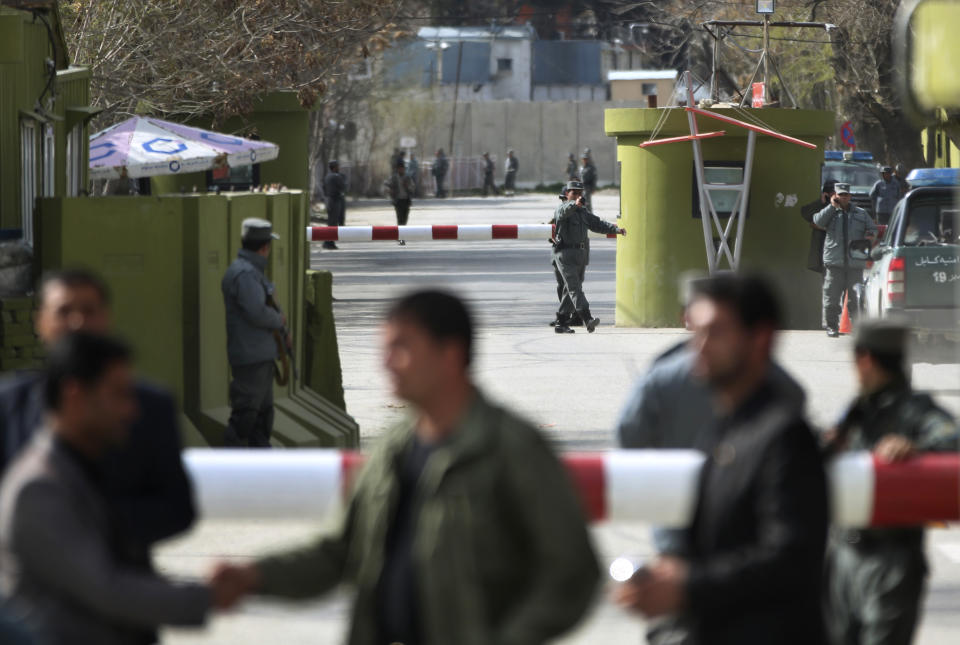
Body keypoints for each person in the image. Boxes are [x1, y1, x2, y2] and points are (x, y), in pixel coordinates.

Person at [208, 290, 601, 645]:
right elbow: (342, 552)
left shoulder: (511, 447)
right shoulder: (394, 447)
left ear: (450, 354)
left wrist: (510, 638)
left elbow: (573, 572)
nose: (386, 363)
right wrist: (255, 577)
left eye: (401, 348)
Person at [614, 274, 829, 645]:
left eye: (715, 332)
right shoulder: (723, 434)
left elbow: (789, 559)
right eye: (696, 331)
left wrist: (688, 586)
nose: (700, 346)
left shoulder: (784, 438)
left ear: (760, 338)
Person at [0, 268, 196, 644]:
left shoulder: (149, 407)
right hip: (28, 623)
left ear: (107, 317)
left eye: (89, 310)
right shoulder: (9, 407)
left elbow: (177, 507)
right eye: (64, 310)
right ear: (40, 320)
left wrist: (93, 526)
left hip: (124, 619)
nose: (77, 321)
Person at [823, 321, 958, 645]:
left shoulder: (914, 410)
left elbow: (951, 439)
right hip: (843, 557)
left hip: (891, 562)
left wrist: (916, 449)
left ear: (865, 359)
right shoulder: (857, 410)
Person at [221, 219, 287, 447]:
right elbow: (257, 311)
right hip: (251, 358)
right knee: (245, 418)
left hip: (259, 355)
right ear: (264, 247)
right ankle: (229, 471)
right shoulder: (245, 274)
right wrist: (279, 320)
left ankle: (260, 472)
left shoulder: (250, 272)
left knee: (261, 418)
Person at [552, 180, 625, 334]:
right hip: (565, 254)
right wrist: (574, 204)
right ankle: (587, 318)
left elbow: (597, 224)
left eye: (580, 193)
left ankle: (561, 321)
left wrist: (616, 229)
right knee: (574, 288)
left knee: (570, 290)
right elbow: (563, 212)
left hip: (580, 255)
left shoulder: (582, 213)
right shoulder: (562, 208)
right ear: (567, 194)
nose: (578, 196)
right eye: (574, 193)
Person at [814, 182, 878, 337]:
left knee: (855, 299)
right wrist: (831, 207)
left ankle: (857, 328)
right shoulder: (830, 212)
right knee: (832, 297)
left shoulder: (861, 213)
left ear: (850, 196)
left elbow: (873, 229)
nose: (843, 197)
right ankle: (832, 327)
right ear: (835, 195)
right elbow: (817, 221)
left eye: (845, 195)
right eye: (840, 195)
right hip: (835, 262)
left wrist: (868, 238)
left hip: (854, 262)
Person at [801, 180, 835, 277]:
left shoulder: (841, 205)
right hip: (823, 250)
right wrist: (820, 202)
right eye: (833, 192)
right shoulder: (822, 205)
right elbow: (806, 213)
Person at [387, 160, 415, 245]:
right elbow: (388, 185)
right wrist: (390, 191)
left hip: (406, 201)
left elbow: (413, 188)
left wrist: (407, 186)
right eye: (399, 168)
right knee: (400, 220)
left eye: (402, 168)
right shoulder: (394, 177)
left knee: (405, 219)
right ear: (397, 169)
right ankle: (401, 238)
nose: (401, 170)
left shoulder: (407, 177)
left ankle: (402, 236)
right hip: (398, 201)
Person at [323, 160, 347, 250]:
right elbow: (343, 187)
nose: (339, 168)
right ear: (334, 167)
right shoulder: (337, 177)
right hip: (335, 200)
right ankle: (328, 243)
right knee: (333, 223)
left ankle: (329, 242)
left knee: (331, 223)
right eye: (337, 166)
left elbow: (324, 188)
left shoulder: (327, 177)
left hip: (329, 200)